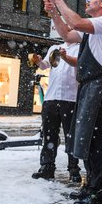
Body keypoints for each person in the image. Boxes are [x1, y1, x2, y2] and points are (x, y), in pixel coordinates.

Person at [44, 0, 102, 204]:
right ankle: (90, 187)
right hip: (89, 86)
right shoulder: (92, 30)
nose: (89, 0)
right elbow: (67, 35)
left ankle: (97, 193)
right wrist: (54, 14)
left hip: (101, 87)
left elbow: (75, 23)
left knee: (95, 141)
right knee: (86, 139)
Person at [30, 42, 82, 182]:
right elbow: (45, 65)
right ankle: (47, 167)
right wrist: (39, 61)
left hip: (70, 98)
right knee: (48, 134)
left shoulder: (80, 47)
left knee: (71, 136)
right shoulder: (54, 48)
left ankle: (73, 169)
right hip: (51, 97)